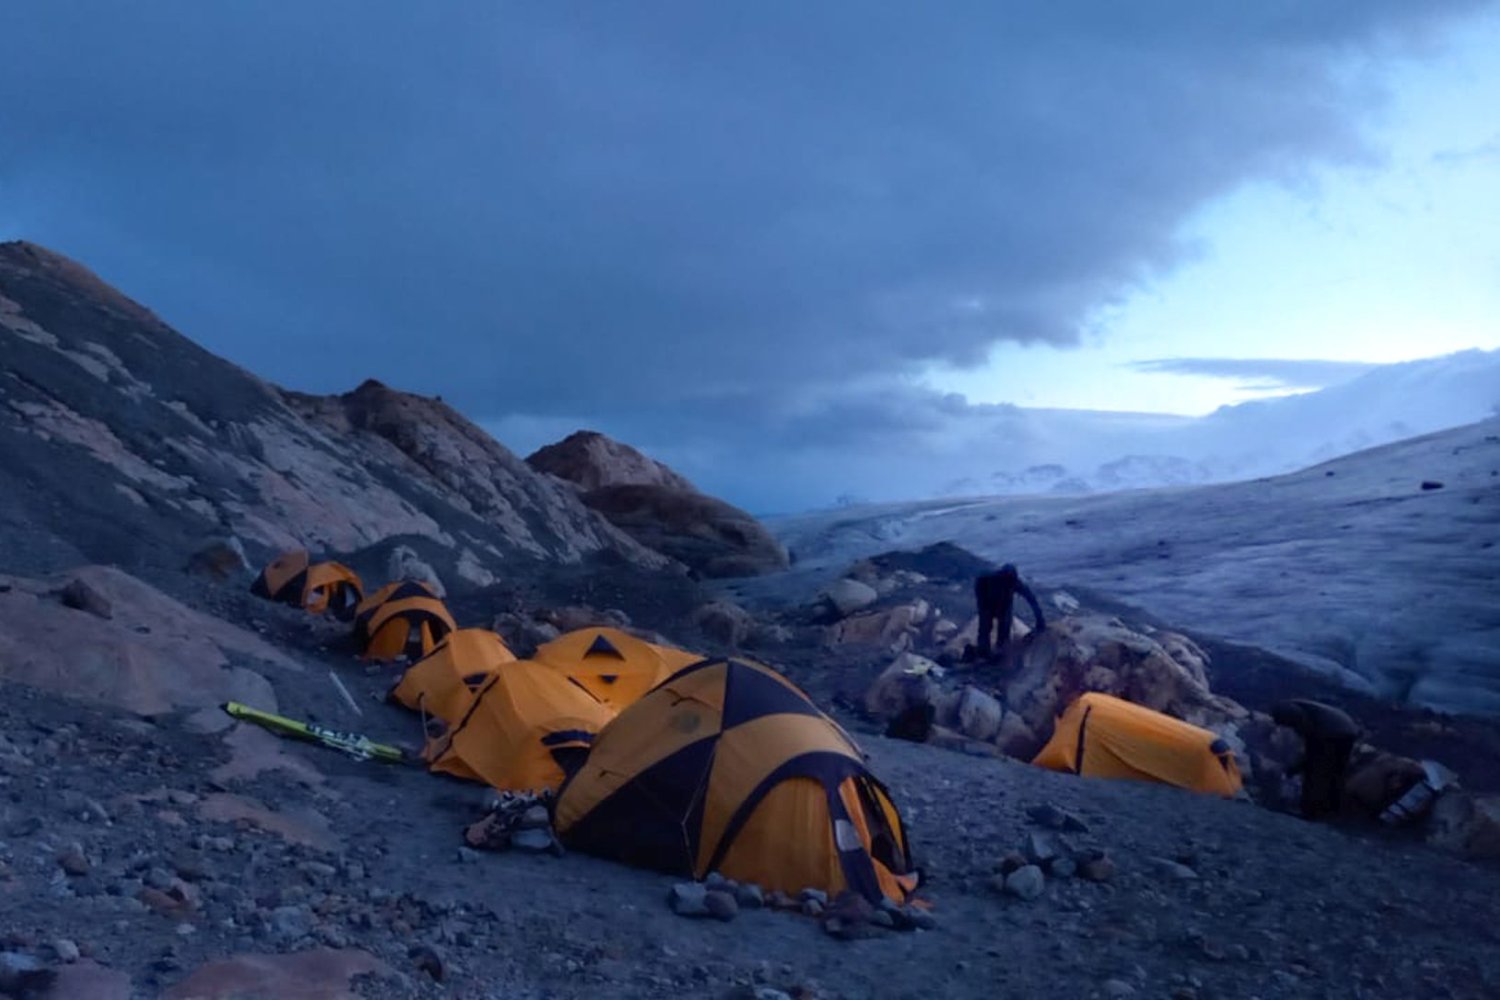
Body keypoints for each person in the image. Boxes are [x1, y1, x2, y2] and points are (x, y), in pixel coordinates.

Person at [1271, 698, 1360, 820]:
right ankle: (1331, 810)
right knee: (1336, 773)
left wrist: (1295, 768)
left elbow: (1310, 748)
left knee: (1316, 772)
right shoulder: (1297, 706)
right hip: (1347, 729)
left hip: (1333, 731)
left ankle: (1310, 811)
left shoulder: (1291, 711)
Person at [972, 563, 1047, 661]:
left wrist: (1040, 619)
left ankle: (1000, 653)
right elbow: (979, 583)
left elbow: (1031, 598)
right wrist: (982, 602)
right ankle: (983, 653)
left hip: (1004, 606)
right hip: (987, 604)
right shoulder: (989, 578)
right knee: (985, 627)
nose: (1008, 584)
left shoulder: (1014, 582)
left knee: (1004, 628)